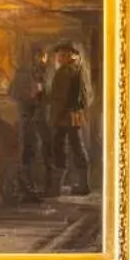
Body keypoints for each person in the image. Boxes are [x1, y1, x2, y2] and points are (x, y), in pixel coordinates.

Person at [46, 41, 90, 196]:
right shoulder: (77, 69)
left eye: (63, 55)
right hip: (73, 115)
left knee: (60, 148)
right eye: (59, 55)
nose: (59, 58)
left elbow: (60, 99)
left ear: (72, 56)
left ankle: (56, 188)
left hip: (64, 116)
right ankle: (82, 185)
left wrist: (55, 118)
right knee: (75, 147)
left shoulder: (66, 71)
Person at [8, 46, 48, 201]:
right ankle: (25, 190)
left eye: (44, 57)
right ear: (35, 57)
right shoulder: (24, 74)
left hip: (36, 118)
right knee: (26, 152)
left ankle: (30, 189)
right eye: (41, 57)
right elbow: (14, 92)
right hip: (25, 117)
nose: (44, 60)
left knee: (33, 152)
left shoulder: (40, 73)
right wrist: (30, 97)